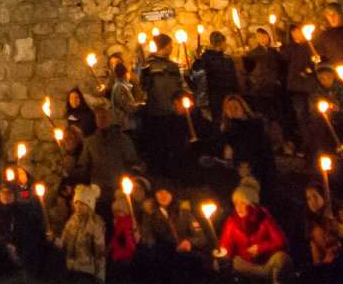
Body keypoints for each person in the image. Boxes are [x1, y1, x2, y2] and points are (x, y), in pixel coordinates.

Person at [218, 181, 291, 284]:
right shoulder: (232, 222)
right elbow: (226, 246)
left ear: (252, 204)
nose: (238, 207)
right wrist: (222, 255)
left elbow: (281, 241)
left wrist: (261, 248)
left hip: (265, 264)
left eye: (243, 203)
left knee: (282, 258)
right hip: (244, 264)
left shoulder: (265, 219)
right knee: (222, 263)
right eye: (236, 203)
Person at [137, 35, 188, 178]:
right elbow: (142, 87)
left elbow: (179, 86)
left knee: (176, 148)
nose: (172, 48)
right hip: (157, 114)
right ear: (164, 46)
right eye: (170, 45)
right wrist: (145, 75)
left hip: (173, 113)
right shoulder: (148, 65)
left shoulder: (173, 65)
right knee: (159, 150)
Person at [83, 106, 144, 218]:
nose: (102, 119)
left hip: (118, 188)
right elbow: (84, 165)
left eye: (105, 116)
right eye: (99, 117)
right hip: (98, 189)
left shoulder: (123, 139)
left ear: (111, 118)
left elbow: (133, 162)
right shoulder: (90, 142)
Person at [218, 93, 275, 195]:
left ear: (243, 108)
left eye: (235, 107)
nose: (232, 110)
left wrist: (248, 167)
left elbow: (260, 150)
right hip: (236, 176)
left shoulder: (255, 126)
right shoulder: (225, 132)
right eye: (229, 108)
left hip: (256, 172)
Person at [56, 184, 107, 282]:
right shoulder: (72, 221)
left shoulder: (95, 224)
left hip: (86, 272)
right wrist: (54, 240)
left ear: (89, 206)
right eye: (76, 203)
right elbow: (64, 242)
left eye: (82, 204)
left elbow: (99, 253)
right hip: (69, 268)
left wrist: (100, 276)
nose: (78, 207)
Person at [281, 22, 318, 153]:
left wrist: (309, 70)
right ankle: (307, 145)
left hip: (310, 87)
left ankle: (316, 144)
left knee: (314, 115)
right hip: (296, 88)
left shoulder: (311, 46)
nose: (296, 34)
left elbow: (317, 62)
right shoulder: (291, 47)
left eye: (297, 31)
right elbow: (284, 59)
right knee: (301, 117)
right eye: (293, 32)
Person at [2, 179, 49, 276]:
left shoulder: (23, 211)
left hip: (25, 244)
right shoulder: (3, 210)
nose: (6, 197)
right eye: (3, 194)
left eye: (9, 194)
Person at [192, 31, 242, 122]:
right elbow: (200, 78)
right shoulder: (206, 58)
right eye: (224, 42)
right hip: (216, 96)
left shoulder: (226, 58)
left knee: (231, 120)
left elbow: (233, 77)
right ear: (221, 43)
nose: (226, 44)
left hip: (228, 95)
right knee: (220, 120)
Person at [104, 55, 142, 136]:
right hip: (124, 122)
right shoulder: (119, 86)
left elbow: (138, 94)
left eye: (117, 63)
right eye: (112, 64)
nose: (114, 65)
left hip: (128, 120)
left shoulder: (129, 81)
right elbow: (125, 104)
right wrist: (138, 107)